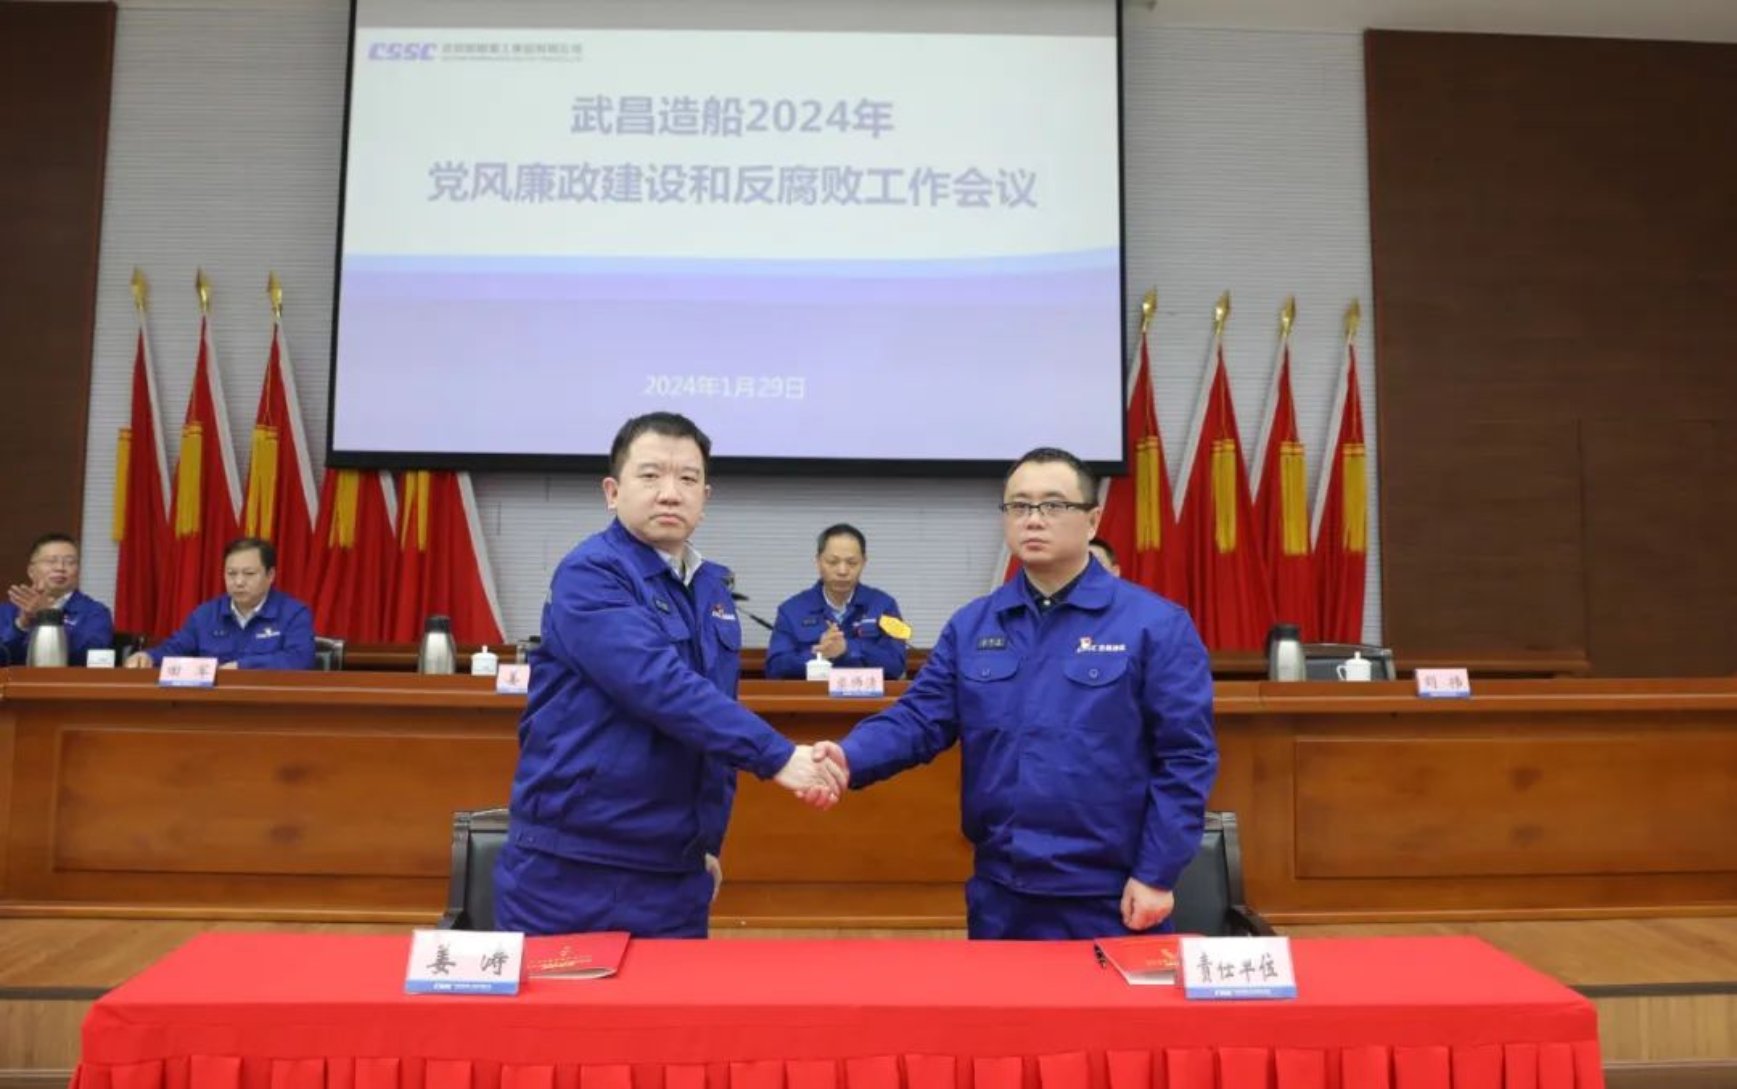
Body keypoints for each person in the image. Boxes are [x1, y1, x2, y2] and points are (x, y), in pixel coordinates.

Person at [816, 447, 1216, 940]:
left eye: (1053, 505)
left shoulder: (1154, 625)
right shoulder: (974, 625)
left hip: (1113, 894)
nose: (1034, 519)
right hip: (1001, 892)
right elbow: (919, 719)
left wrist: (1156, 873)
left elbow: (1186, 758)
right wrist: (848, 757)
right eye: (1019, 506)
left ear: (1092, 520)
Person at [495, 412, 847, 939]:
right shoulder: (591, 573)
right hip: (575, 868)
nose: (670, 493)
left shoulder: (711, 589)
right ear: (612, 492)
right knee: (562, 999)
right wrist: (777, 756)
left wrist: (706, 842)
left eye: (687, 478)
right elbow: (660, 687)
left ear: (705, 497)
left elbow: (712, 713)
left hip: (676, 872)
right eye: (651, 475)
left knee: (673, 999)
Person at [124, 537, 315, 670]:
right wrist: (148, 657)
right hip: (212, 707)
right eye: (231, 574)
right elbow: (175, 648)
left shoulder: (294, 614)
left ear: (270, 575)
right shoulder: (205, 615)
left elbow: (300, 659)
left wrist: (242, 667)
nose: (238, 582)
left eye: (249, 574)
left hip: (271, 707)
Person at [765, 523, 909, 680]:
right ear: (818, 561)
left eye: (852, 563)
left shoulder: (885, 606)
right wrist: (820, 654)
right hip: (812, 695)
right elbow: (774, 668)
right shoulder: (791, 610)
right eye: (833, 562)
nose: (842, 571)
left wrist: (848, 648)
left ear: (864, 562)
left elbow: (897, 665)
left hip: (866, 695)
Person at [1, 533, 114, 666]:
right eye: (51, 561)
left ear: (78, 570)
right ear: (31, 571)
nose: (60, 568)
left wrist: (49, 618)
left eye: (70, 562)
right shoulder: (6, 612)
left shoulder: (95, 612)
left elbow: (92, 656)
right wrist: (22, 624)